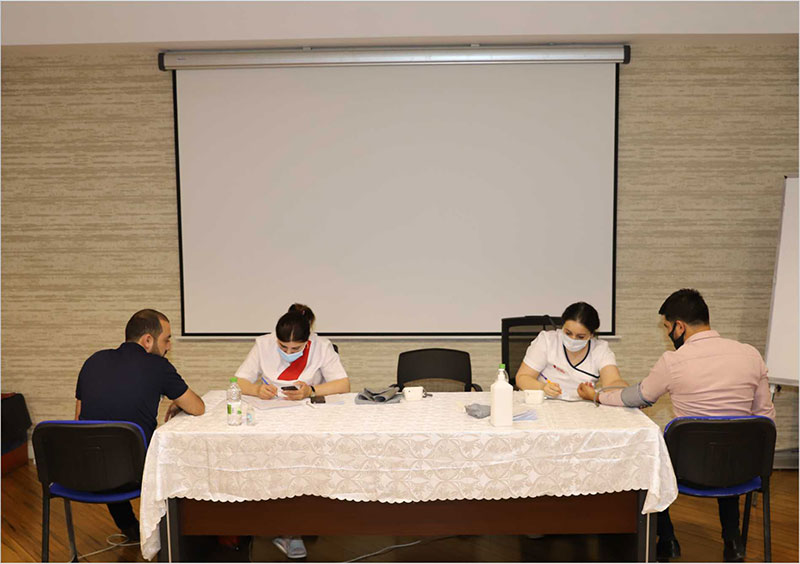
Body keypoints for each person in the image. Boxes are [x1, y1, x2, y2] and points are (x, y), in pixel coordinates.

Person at [577, 289, 775, 563]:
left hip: (687, 469)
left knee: (651, 459)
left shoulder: (673, 361)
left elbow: (637, 397)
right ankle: (733, 541)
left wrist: (596, 396)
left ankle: (667, 540)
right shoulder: (751, 355)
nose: (668, 333)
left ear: (679, 327)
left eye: (667, 327)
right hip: (741, 469)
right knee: (729, 443)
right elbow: (765, 416)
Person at [75, 309, 205, 542]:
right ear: (147, 340)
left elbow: (79, 422)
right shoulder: (158, 366)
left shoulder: (93, 361)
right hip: (132, 475)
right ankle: (180, 539)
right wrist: (179, 403)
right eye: (166, 340)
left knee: (107, 447)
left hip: (82, 471)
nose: (168, 347)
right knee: (178, 456)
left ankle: (130, 527)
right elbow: (197, 407)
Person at [234, 303, 349, 559]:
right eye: (282, 346)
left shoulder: (321, 346)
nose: (288, 352)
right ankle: (279, 525)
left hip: (308, 419)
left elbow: (343, 384)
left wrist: (311, 390)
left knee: (300, 466)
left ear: (307, 342)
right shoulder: (263, 344)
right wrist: (256, 390)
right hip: (269, 417)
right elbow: (238, 381)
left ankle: (296, 526)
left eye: (295, 349)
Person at [515, 302, 626, 400]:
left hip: (583, 407)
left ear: (591, 335)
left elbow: (612, 382)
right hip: (546, 402)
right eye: (568, 333)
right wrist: (542, 387)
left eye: (580, 336)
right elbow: (522, 378)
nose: (573, 339)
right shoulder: (547, 341)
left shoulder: (600, 349)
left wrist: (625, 390)